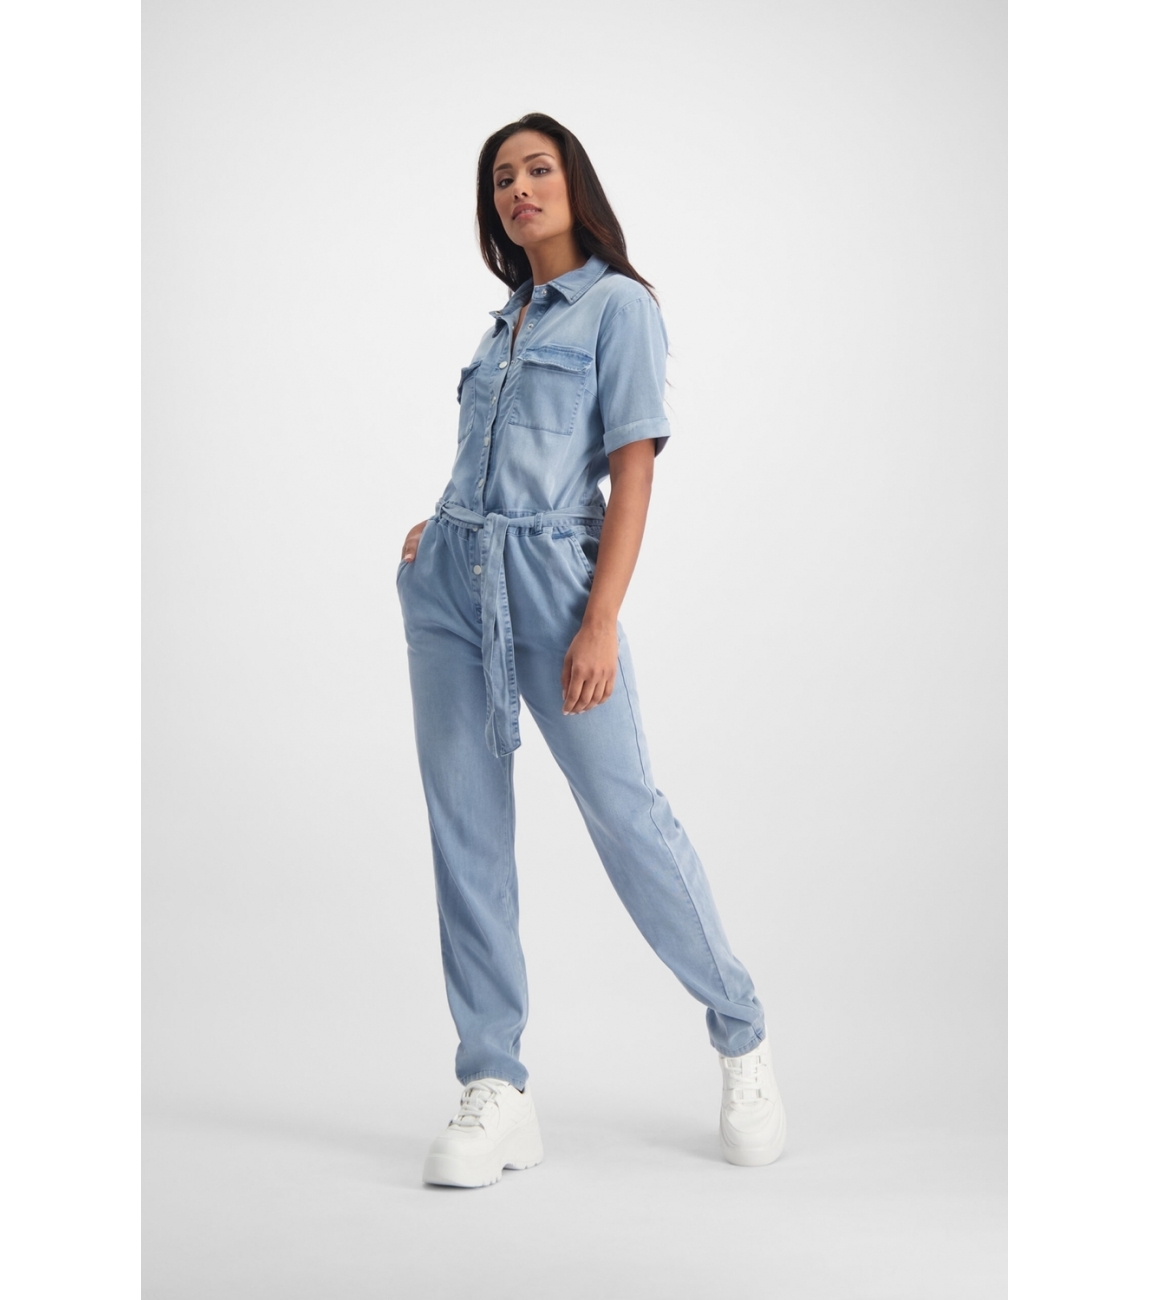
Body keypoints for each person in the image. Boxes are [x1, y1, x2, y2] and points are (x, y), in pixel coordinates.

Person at [396, 113, 786, 1188]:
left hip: (557, 592)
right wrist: (443, 521)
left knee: (628, 817)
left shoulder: (620, 308)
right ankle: (497, 1084)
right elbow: (489, 454)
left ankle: (741, 1034)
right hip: (450, 586)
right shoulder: (507, 319)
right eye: (501, 179)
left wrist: (600, 618)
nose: (519, 189)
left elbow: (633, 469)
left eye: (538, 169)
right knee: (466, 835)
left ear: (574, 183)